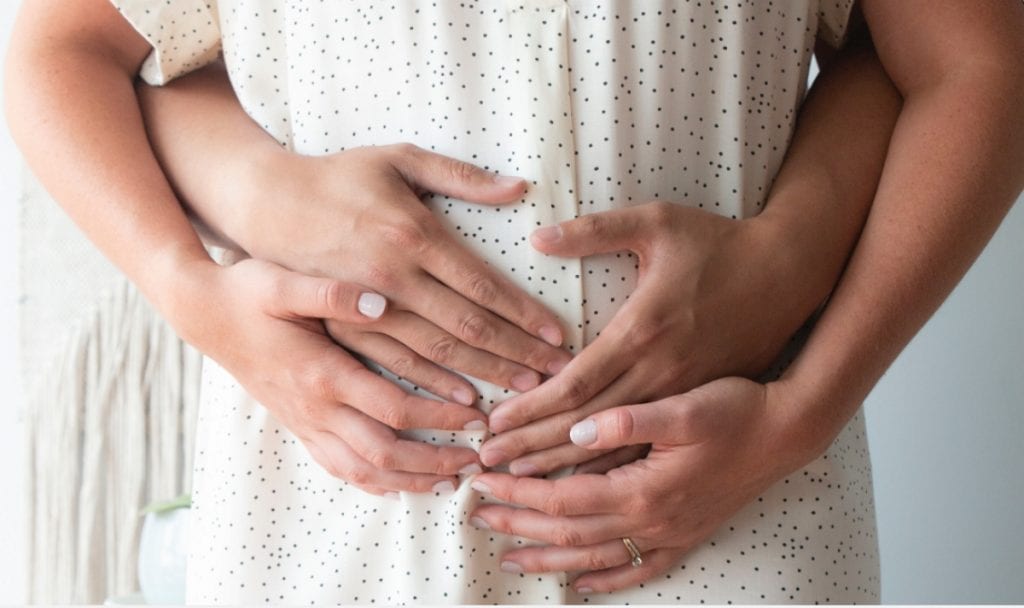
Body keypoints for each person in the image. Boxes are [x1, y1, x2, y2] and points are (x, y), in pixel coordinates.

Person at [6, 0, 1023, 604]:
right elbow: (67, 45)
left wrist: (802, 407)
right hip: (332, 523)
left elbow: (968, 58)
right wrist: (200, 298)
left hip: (725, 508)